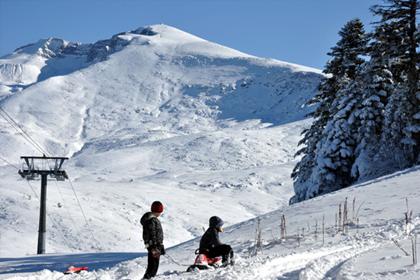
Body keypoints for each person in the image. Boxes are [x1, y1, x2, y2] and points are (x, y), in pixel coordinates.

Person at [141, 201, 165, 279]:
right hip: (154, 246)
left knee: (152, 264)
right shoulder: (152, 220)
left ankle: (148, 277)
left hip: (154, 245)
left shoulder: (150, 219)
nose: (160, 214)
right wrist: (155, 246)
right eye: (160, 211)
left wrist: (160, 246)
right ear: (157, 211)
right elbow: (153, 233)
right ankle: (148, 278)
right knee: (153, 265)